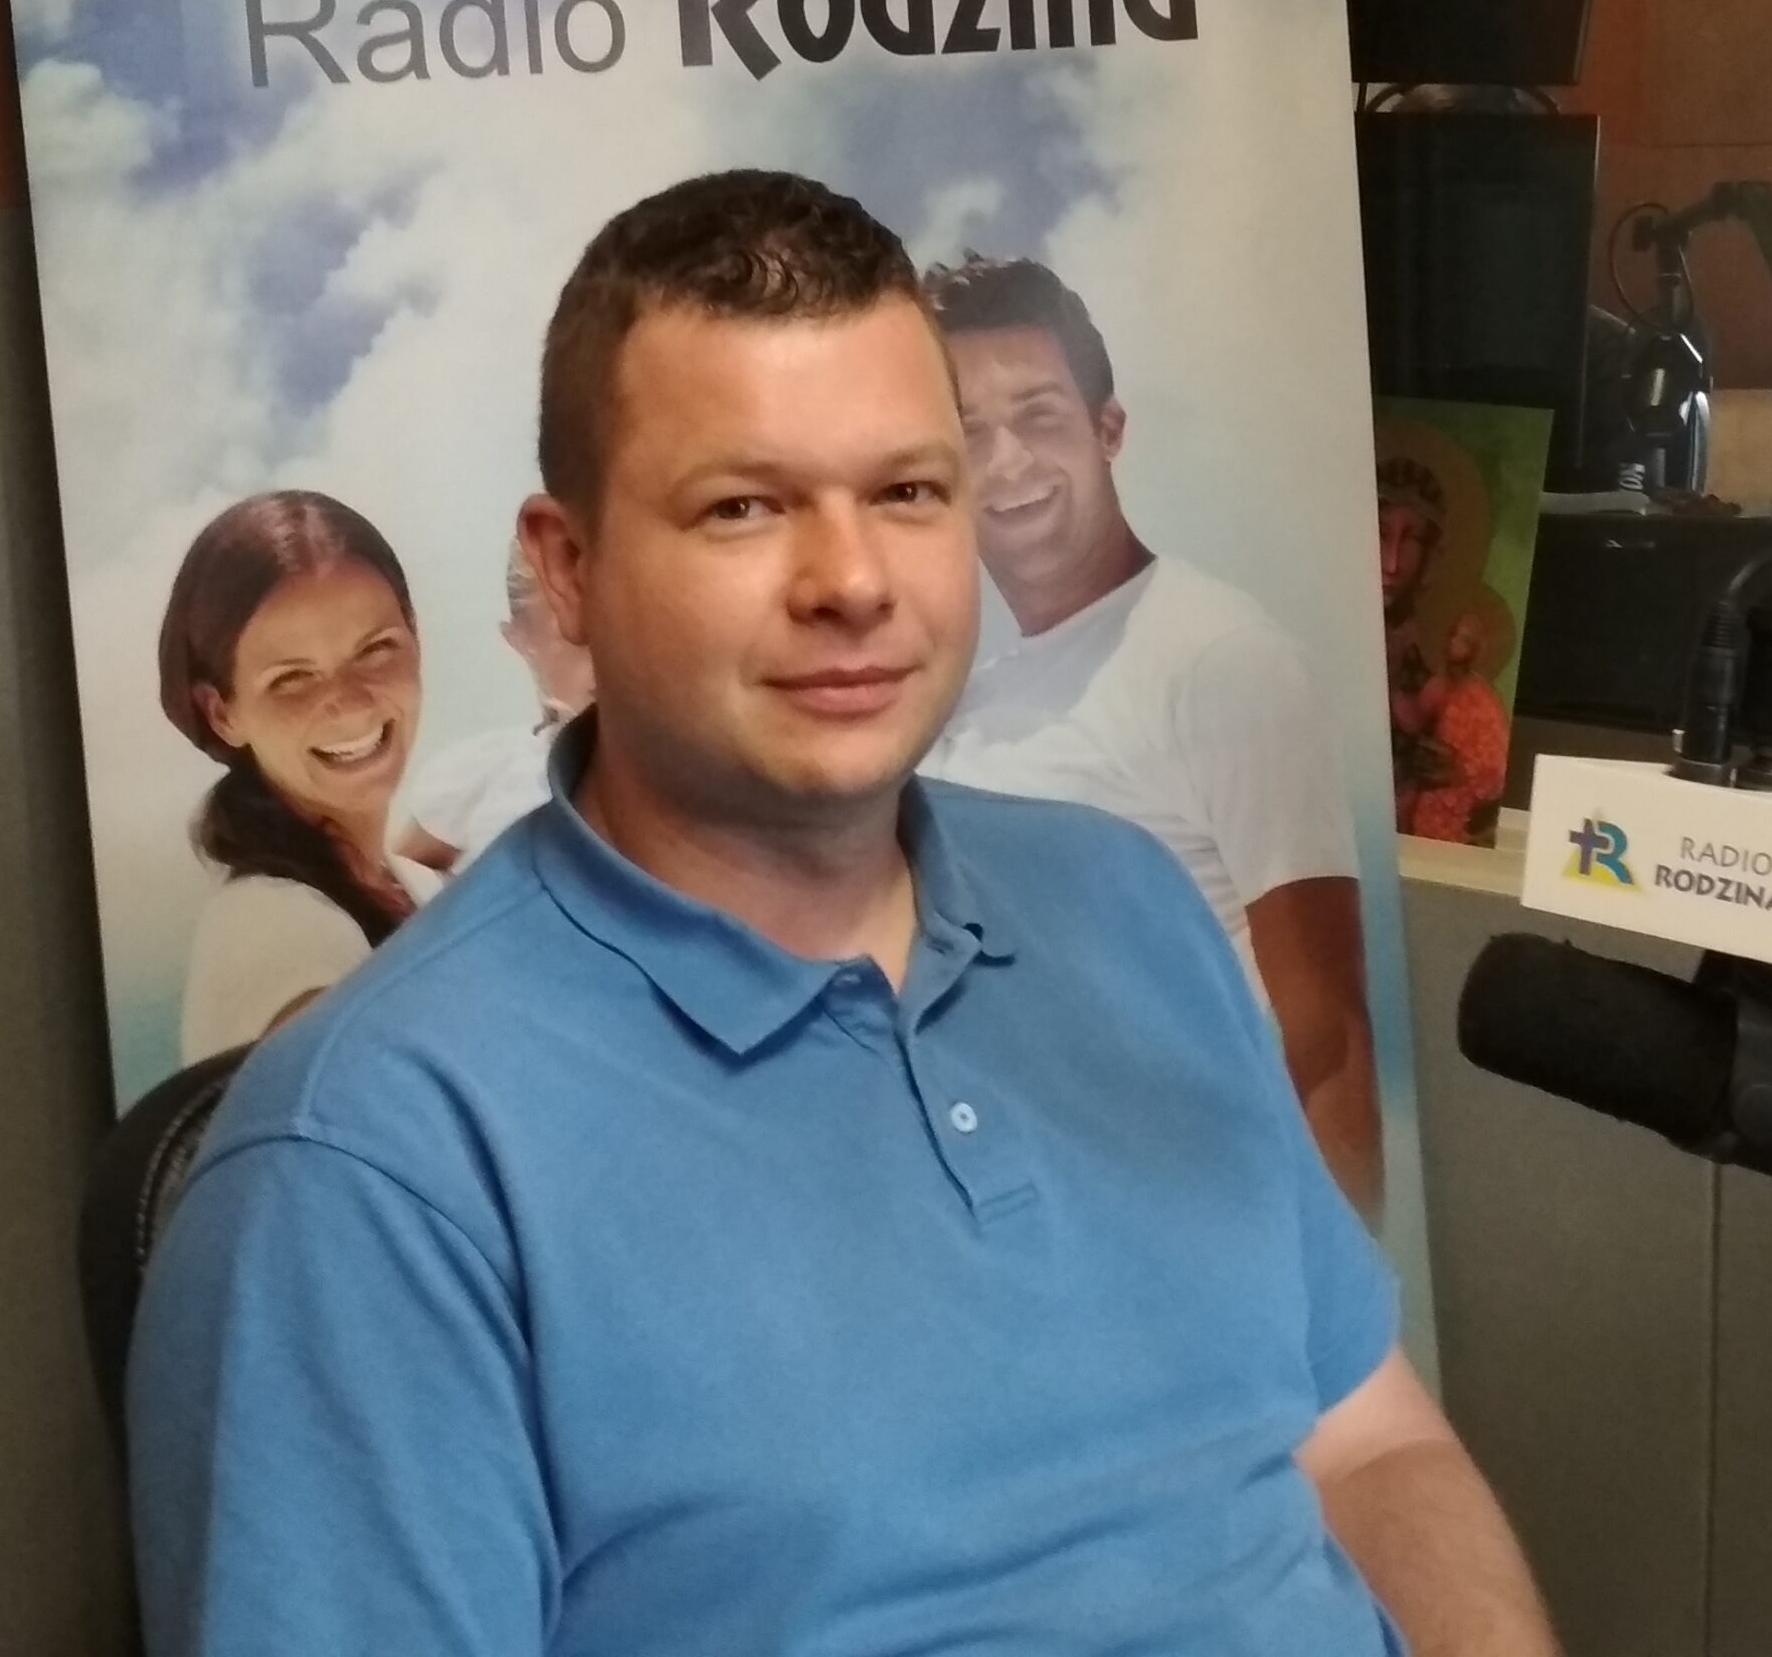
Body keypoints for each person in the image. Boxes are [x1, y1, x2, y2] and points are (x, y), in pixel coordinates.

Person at [129, 171, 1555, 1656]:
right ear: (569, 568)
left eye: (907, 493)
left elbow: (1369, 1445)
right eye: (744, 507)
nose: (853, 581)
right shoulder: (369, 1167)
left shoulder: (1131, 905)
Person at [918, 253, 1385, 1212]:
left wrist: (1344, 1283)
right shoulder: (969, 704)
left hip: (1184, 1220)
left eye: (1039, 417)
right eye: (969, 434)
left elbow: (1329, 1036)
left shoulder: (1219, 659)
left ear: (1109, 428)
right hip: (1019, 1225)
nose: (1007, 464)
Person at [159, 490, 439, 1064]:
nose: (350, 703)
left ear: (416, 638)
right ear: (222, 712)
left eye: (376, 649)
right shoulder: (278, 931)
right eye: (292, 679)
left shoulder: (418, 889)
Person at [393, 535, 595, 879]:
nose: (609, 657)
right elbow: (395, 881)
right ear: (520, 639)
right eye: (576, 634)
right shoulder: (482, 777)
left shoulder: (683, 772)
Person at [1379, 457, 1513, 845]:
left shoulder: (1429, 673)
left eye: (1411, 541)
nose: (1391, 564)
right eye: (1380, 534)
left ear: (1432, 558)